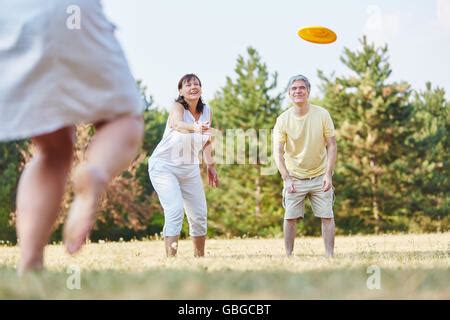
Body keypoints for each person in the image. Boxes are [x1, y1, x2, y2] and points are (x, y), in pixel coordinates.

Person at [0, 0, 144, 273]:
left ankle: (30, 264)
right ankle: (94, 172)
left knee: (51, 151)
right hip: (74, 13)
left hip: (14, 21)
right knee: (124, 119)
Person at [148, 74, 219, 257]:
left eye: (196, 83)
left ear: (201, 89)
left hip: (190, 168)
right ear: (181, 91)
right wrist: (195, 128)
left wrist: (210, 166)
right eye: (188, 84)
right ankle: (171, 259)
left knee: (199, 214)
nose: (193, 86)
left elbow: (206, 140)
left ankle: (199, 258)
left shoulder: (207, 110)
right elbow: (178, 125)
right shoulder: (177, 107)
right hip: (164, 166)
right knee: (175, 209)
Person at [273, 74, 337, 257]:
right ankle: (288, 256)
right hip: (294, 177)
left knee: (327, 216)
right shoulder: (282, 120)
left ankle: (330, 256)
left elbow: (332, 145)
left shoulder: (322, 114)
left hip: (320, 175)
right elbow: (278, 152)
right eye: (294, 88)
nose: (298, 91)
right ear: (289, 93)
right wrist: (286, 178)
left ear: (308, 91)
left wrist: (328, 174)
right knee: (290, 217)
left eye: (302, 88)